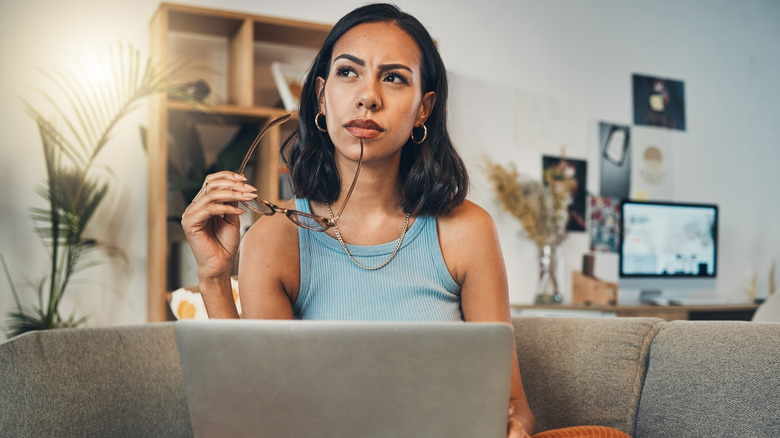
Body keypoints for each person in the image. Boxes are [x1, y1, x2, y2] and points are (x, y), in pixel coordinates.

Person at [182, 4, 629, 438]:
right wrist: (215, 278)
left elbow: (514, 406)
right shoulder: (276, 240)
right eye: (348, 72)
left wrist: (512, 428)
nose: (368, 97)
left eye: (394, 78)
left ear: (423, 108)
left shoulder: (466, 231)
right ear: (322, 96)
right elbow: (261, 416)